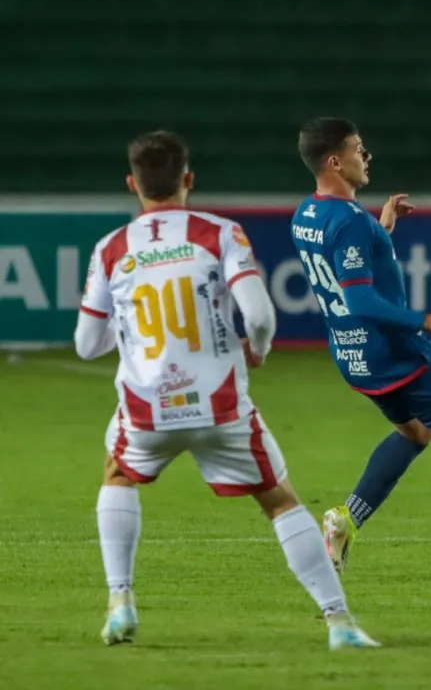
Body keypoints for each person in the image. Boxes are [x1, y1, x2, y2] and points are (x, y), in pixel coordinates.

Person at [75, 130, 378, 648]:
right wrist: (256, 348)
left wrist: (125, 333)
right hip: (220, 404)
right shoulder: (220, 233)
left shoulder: (112, 249)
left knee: (118, 474)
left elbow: (86, 345)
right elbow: (258, 313)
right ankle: (340, 623)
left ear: (133, 184)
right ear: (188, 180)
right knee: (280, 501)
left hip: (147, 408)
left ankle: (120, 602)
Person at [290, 117, 431, 582]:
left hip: (353, 356)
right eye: (358, 149)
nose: (365, 157)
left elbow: (347, 267)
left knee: (416, 433)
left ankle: (346, 519)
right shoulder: (350, 223)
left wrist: (381, 230)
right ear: (334, 161)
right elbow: (360, 298)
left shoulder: (306, 214)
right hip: (396, 353)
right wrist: (426, 320)